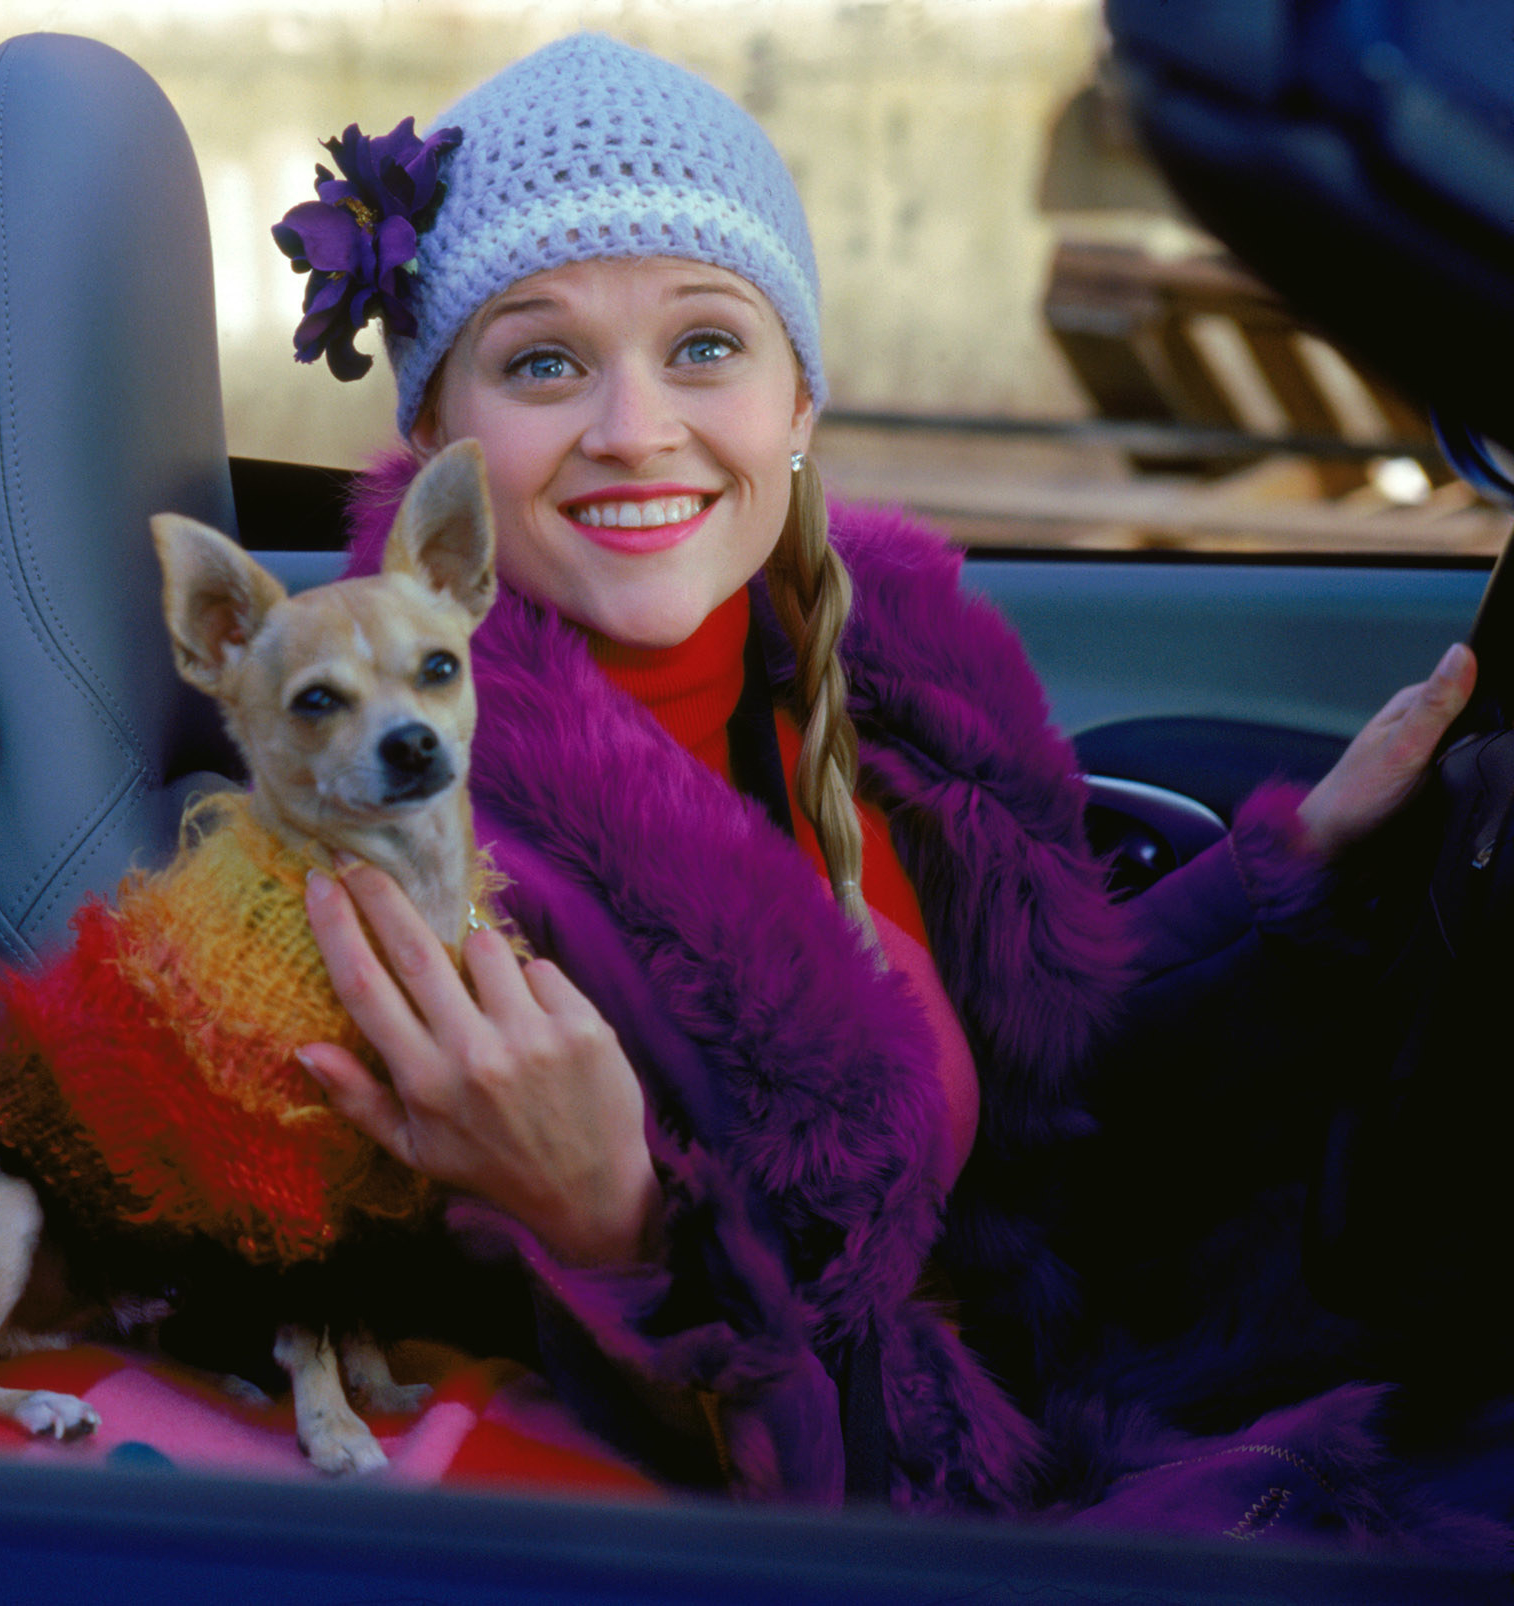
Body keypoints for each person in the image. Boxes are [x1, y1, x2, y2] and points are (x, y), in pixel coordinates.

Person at [271, 33, 1485, 1534]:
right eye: (542, 360)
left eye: (706, 344)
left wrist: (1291, 866)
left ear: (798, 405)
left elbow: (1022, 1103)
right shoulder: (436, 854)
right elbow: (649, 1487)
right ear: (438, 434)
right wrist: (623, 1235)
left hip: (1049, 1384)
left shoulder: (837, 695)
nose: (637, 427)